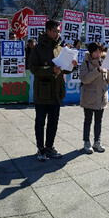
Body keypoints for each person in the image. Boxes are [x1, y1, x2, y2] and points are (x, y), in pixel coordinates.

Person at [28, 21, 76, 161]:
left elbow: (65, 69)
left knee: (54, 122)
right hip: (42, 92)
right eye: (55, 31)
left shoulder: (60, 49)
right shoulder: (37, 49)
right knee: (40, 122)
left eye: (59, 31)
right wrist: (50, 70)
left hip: (56, 92)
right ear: (48, 31)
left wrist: (72, 65)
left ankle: (50, 147)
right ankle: (40, 149)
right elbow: (33, 68)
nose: (58, 34)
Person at [79, 43, 109, 154]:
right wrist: (97, 71)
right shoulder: (85, 63)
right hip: (89, 97)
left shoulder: (104, 62)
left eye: (100, 51)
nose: (99, 53)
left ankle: (97, 141)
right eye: (96, 51)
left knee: (98, 122)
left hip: (101, 98)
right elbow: (85, 79)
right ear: (91, 52)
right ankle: (86, 142)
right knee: (88, 121)